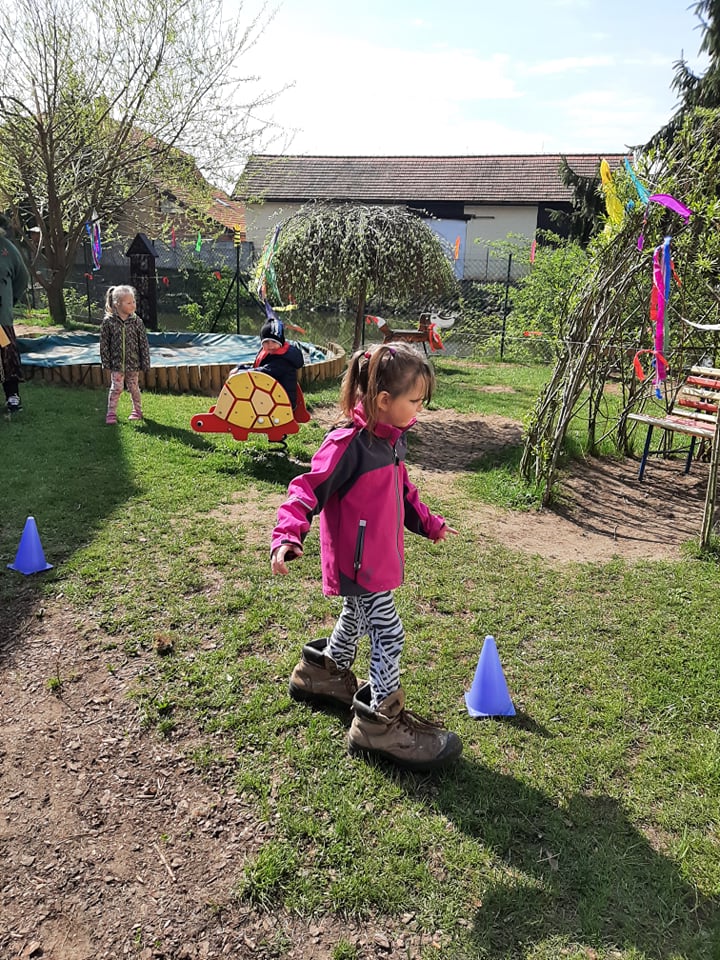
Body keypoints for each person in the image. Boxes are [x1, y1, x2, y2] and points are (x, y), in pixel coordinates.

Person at [270, 343, 462, 771]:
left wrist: (430, 523)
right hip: (358, 564)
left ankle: (322, 672)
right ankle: (379, 721)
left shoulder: (392, 439)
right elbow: (306, 488)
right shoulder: (348, 444)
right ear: (384, 400)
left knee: (355, 618)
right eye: (415, 401)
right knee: (389, 634)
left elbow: (403, 492)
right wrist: (287, 535)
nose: (420, 409)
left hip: (372, 559)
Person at [100, 285, 151, 424]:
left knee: (133, 387)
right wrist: (106, 362)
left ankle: (137, 411)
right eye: (129, 303)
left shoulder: (137, 322)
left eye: (134, 301)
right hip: (117, 364)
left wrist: (145, 362)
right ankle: (111, 413)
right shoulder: (108, 322)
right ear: (117, 304)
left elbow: (143, 343)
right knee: (116, 388)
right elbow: (104, 344)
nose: (133, 305)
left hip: (133, 363)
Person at [0, 218, 30, 413]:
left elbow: (22, 277)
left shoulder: (7, 249)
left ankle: (12, 396)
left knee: (7, 355)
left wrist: (10, 301)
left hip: (1, 319)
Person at [252, 317, 304, 409]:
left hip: (282, 403)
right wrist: (243, 368)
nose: (270, 345)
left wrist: (243, 371)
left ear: (281, 343)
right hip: (271, 397)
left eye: (274, 341)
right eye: (266, 342)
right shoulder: (268, 353)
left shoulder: (284, 360)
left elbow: (265, 371)